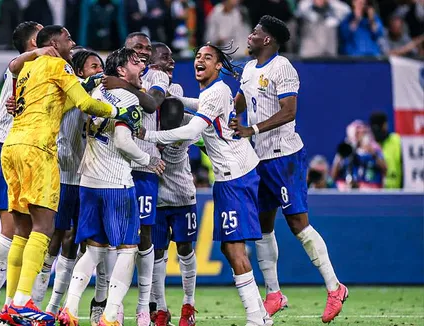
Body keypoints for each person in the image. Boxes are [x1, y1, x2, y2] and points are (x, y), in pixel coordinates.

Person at [0, 25, 142, 326]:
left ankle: (11, 302)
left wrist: (89, 81)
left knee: (22, 229)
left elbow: (55, 97)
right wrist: (119, 114)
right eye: (68, 39)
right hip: (38, 148)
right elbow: (85, 104)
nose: (73, 42)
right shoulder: (57, 64)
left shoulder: (28, 68)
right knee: (45, 225)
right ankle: (25, 300)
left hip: (12, 146)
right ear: (54, 43)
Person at [140, 43, 271, 326]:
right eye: (197, 56)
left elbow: (191, 130)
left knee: (234, 248)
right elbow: (199, 107)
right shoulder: (215, 92)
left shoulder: (217, 91)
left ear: (219, 65)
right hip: (233, 175)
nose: (199, 60)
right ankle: (261, 316)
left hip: (235, 176)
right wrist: (176, 98)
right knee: (229, 247)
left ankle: (255, 319)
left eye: (207, 57)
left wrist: (146, 136)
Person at [230, 15, 348, 323]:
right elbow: (241, 100)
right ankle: (274, 293)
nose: (250, 35)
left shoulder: (283, 68)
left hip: (284, 156)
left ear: (267, 39)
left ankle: (335, 288)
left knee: (298, 225)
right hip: (260, 159)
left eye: (255, 32)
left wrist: (251, 129)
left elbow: (289, 110)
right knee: (262, 227)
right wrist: (228, 113)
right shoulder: (248, 69)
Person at [57, 47, 165, 326]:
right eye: (135, 62)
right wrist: (148, 159)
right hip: (116, 182)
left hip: (88, 180)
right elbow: (123, 140)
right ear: (120, 70)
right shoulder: (129, 98)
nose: (141, 65)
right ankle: (110, 315)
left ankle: (69, 309)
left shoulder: (96, 93)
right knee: (129, 248)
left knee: (94, 248)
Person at [0, 21, 60, 326]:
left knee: (25, 232)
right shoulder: (24, 67)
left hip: (23, 154)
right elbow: (13, 67)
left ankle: (14, 304)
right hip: (4, 149)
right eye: (42, 35)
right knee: (12, 231)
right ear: (33, 43)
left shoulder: (40, 68)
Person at [30, 50, 106, 317]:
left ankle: (55, 308)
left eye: (101, 66)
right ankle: (35, 303)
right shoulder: (69, 92)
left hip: (87, 178)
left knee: (76, 241)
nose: (99, 70)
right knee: (55, 237)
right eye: (93, 66)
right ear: (79, 71)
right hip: (62, 176)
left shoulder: (98, 96)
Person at [101, 32, 169, 326]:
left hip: (143, 168)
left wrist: (123, 83)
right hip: (112, 166)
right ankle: (109, 306)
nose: (143, 52)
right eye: (137, 48)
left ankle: (143, 307)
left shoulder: (156, 75)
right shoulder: (113, 78)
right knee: (108, 238)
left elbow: (152, 104)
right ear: (125, 52)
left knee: (143, 237)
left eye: (147, 49)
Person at [143, 42, 197, 326]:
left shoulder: (175, 94)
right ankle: (161, 309)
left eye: (172, 57)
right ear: (151, 61)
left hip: (181, 187)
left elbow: (190, 122)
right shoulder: (142, 95)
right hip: (156, 189)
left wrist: (179, 141)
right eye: (165, 58)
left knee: (185, 248)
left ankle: (189, 305)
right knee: (158, 252)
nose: (172, 61)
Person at [369, 111, 402, 189]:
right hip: (374, 191)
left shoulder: (396, 140)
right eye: (374, 128)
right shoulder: (367, 144)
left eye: (380, 126)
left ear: (385, 125)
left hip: (395, 191)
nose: (377, 131)